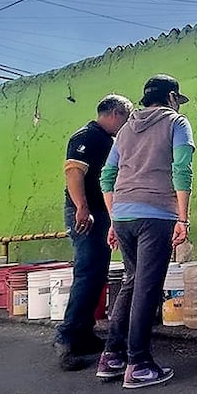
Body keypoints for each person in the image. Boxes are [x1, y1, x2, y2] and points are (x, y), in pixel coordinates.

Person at [96, 75, 194, 389]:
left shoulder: (124, 129)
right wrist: (183, 217)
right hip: (156, 215)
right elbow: (181, 168)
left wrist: (113, 219)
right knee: (146, 288)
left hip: (123, 214)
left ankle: (112, 356)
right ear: (172, 97)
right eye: (178, 99)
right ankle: (138, 363)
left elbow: (107, 175)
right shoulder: (176, 122)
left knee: (131, 282)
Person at [56, 94, 132, 371]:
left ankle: (85, 334)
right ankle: (67, 341)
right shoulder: (87, 136)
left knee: (97, 273)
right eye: (125, 117)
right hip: (86, 213)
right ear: (114, 112)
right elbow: (74, 173)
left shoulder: (106, 140)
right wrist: (82, 208)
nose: (125, 124)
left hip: (100, 213)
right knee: (87, 273)